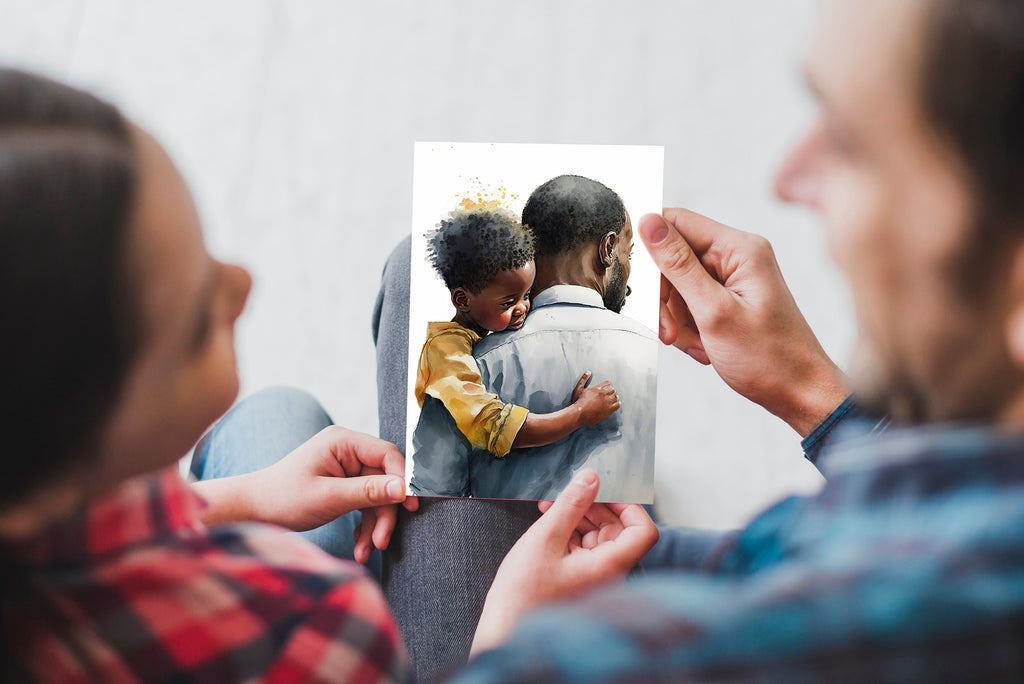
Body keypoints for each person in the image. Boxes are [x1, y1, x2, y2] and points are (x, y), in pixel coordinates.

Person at [0, 67, 656, 683]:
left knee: (279, 412)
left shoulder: (38, 498)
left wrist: (244, 497)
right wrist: (508, 639)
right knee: (395, 285)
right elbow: (494, 424)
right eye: (200, 316)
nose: (244, 282)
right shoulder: (321, 629)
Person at [446, 0, 1024, 679]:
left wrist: (503, 652)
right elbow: (807, 545)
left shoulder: (583, 662)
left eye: (851, 144)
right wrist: (814, 396)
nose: (788, 181)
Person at [410, 206, 620, 496]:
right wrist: (579, 413)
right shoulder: (446, 353)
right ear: (463, 299)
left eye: (527, 295)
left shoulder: (473, 338)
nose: (522, 308)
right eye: (508, 302)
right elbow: (495, 428)